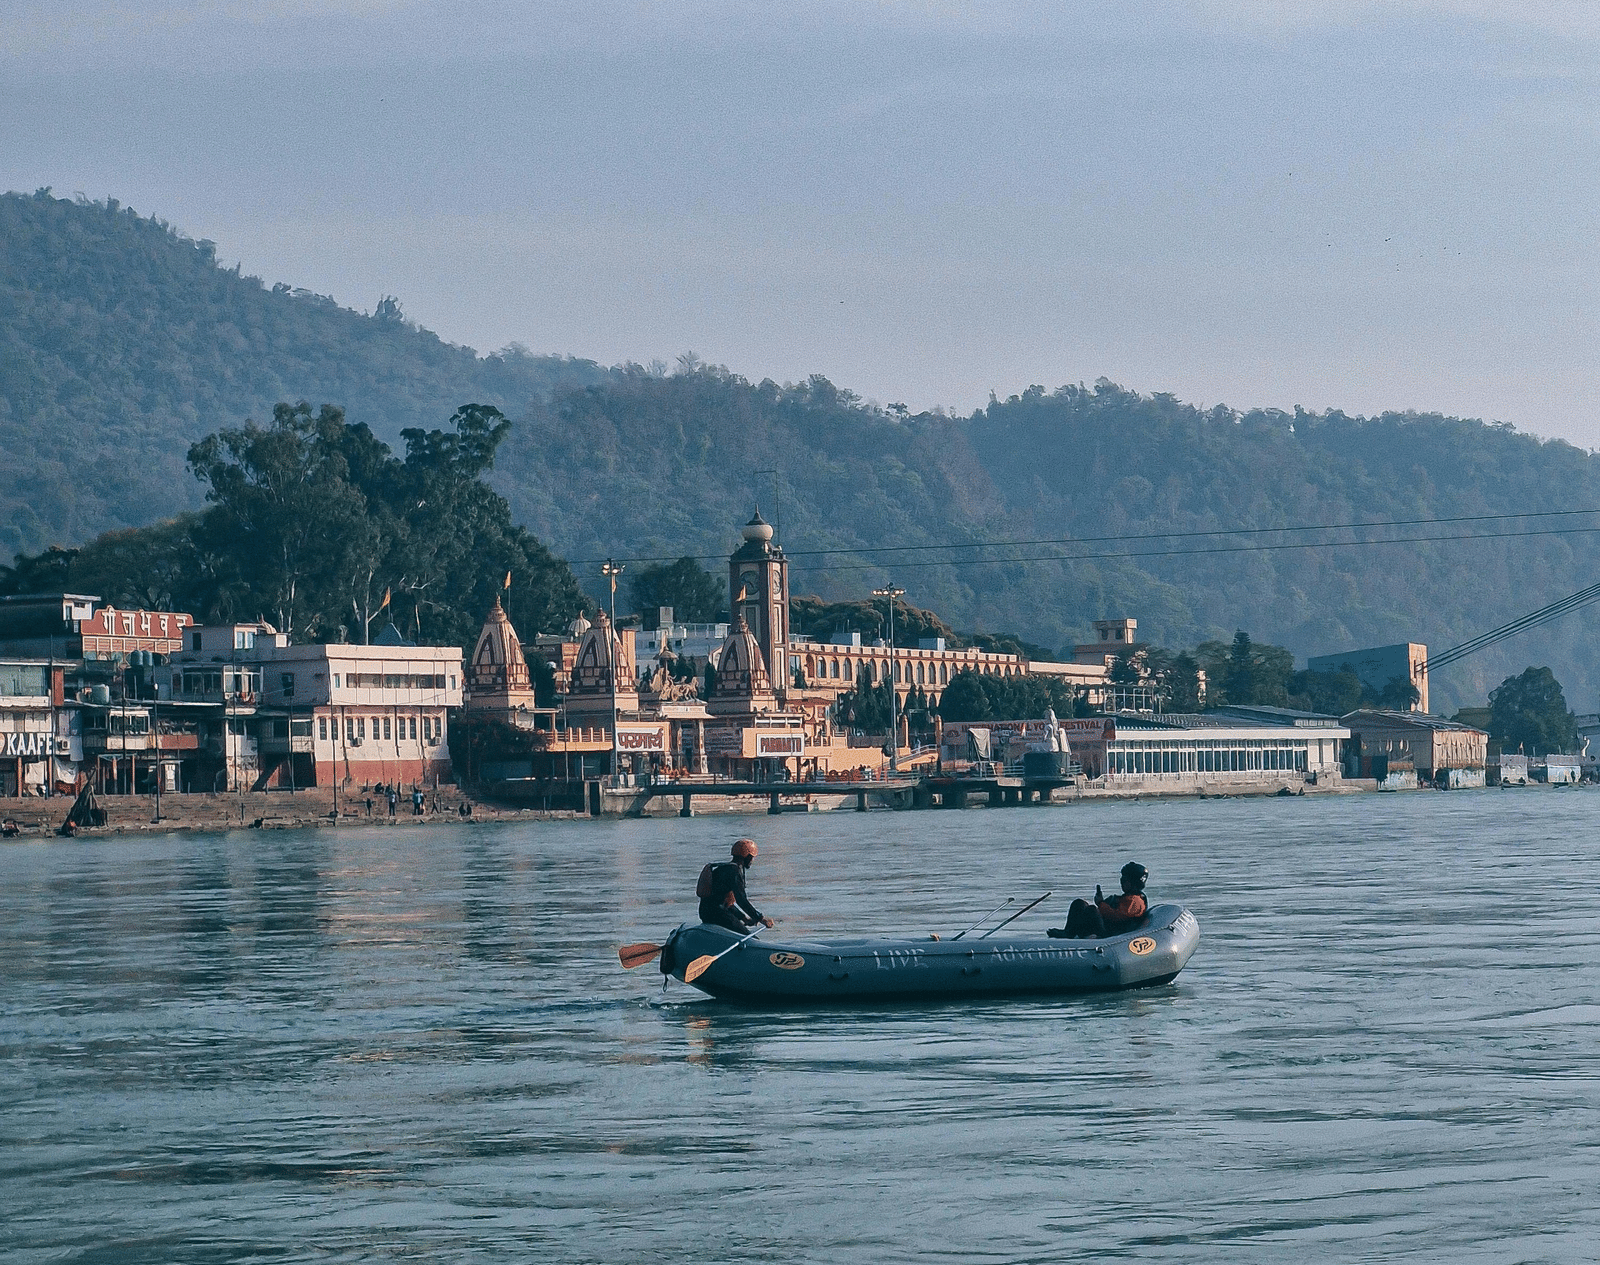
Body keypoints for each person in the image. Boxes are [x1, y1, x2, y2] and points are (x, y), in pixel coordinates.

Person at [1048, 861, 1149, 939]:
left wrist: (1100, 903)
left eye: (1124, 880)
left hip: (1111, 934)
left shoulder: (1135, 901)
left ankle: (1075, 934)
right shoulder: (1127, 898)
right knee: (1079, 904)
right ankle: (1068, 932)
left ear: (1134, 882)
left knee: (1092, 910)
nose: (1122, 883)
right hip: (1108, 927)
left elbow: (1115, 916)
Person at [697, 838, 776, 934]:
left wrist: (743, 918)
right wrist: (761, 918)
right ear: (746, 856)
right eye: (751, 857)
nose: (752, 860)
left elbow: (726, 903)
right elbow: (741, 900)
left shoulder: (722, 869)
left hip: (705, 913)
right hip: (717, 914)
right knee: (748, 937)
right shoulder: (734, 872)